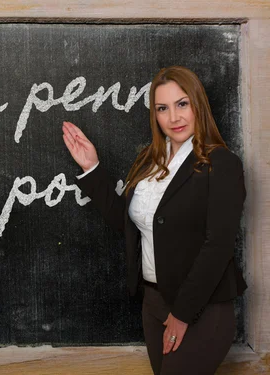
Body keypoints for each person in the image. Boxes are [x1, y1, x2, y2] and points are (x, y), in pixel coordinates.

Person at [62, 66, 246, 375]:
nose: (174, 117)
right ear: (155, 115)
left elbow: (219, 245)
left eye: (182, 104)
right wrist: (92, 168)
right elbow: (130, 227)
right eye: (163, 108)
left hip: (201, 308)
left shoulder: (221, 164)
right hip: (154, 303)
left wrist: (182, 314)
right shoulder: (149, 162)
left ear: (198, 104)